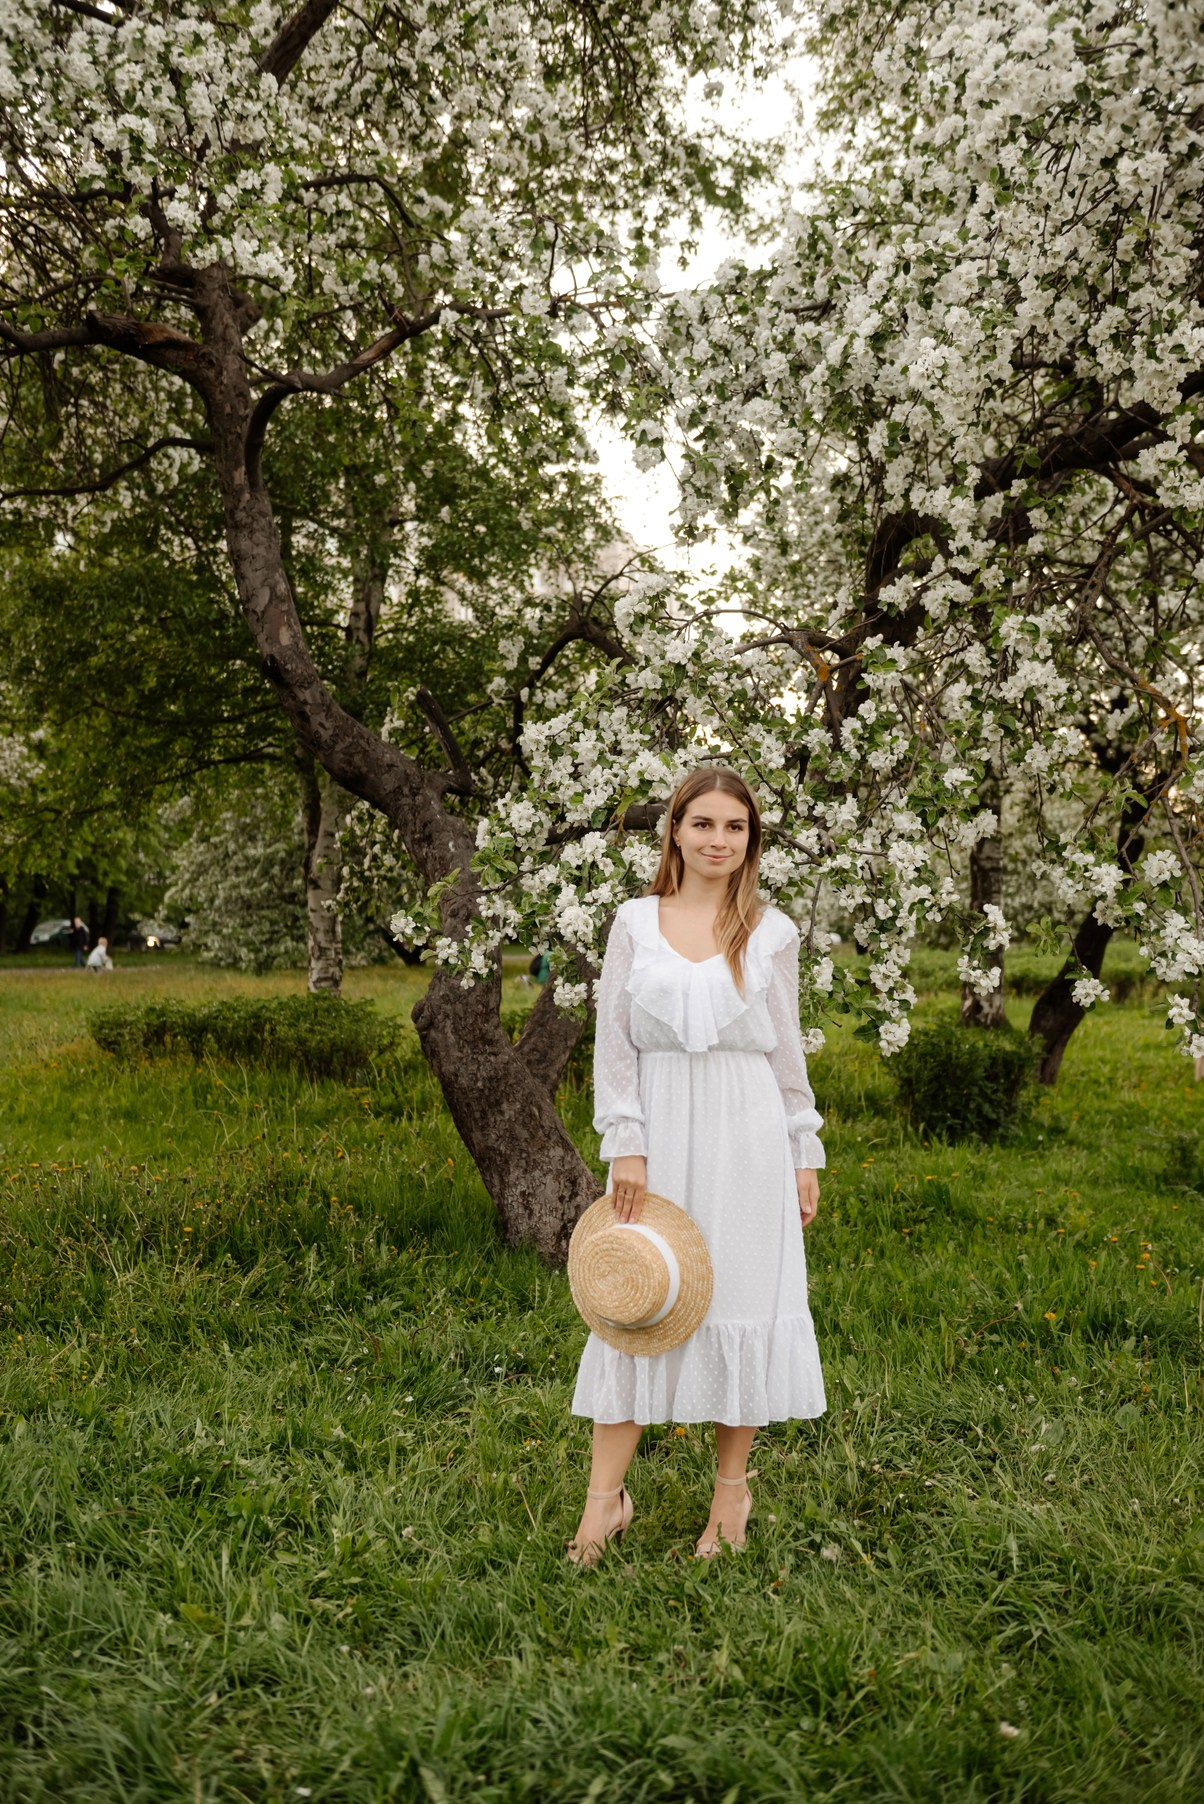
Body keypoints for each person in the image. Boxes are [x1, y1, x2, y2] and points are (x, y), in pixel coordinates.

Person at [568, 766, 825, 1564]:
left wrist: (802, 1150)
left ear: (751, 842)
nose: (719, 840)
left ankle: (730, 1500)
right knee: (635, 1300)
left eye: (736, 828)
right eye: (704, 823)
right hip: (661, 1133)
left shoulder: (771, 933)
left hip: (748, 1134)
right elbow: (613, 1047)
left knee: (741, 1301)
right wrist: (627, 1144)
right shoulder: (635, 923)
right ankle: (602, 1505)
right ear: (674, 830)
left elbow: (785, 1053)